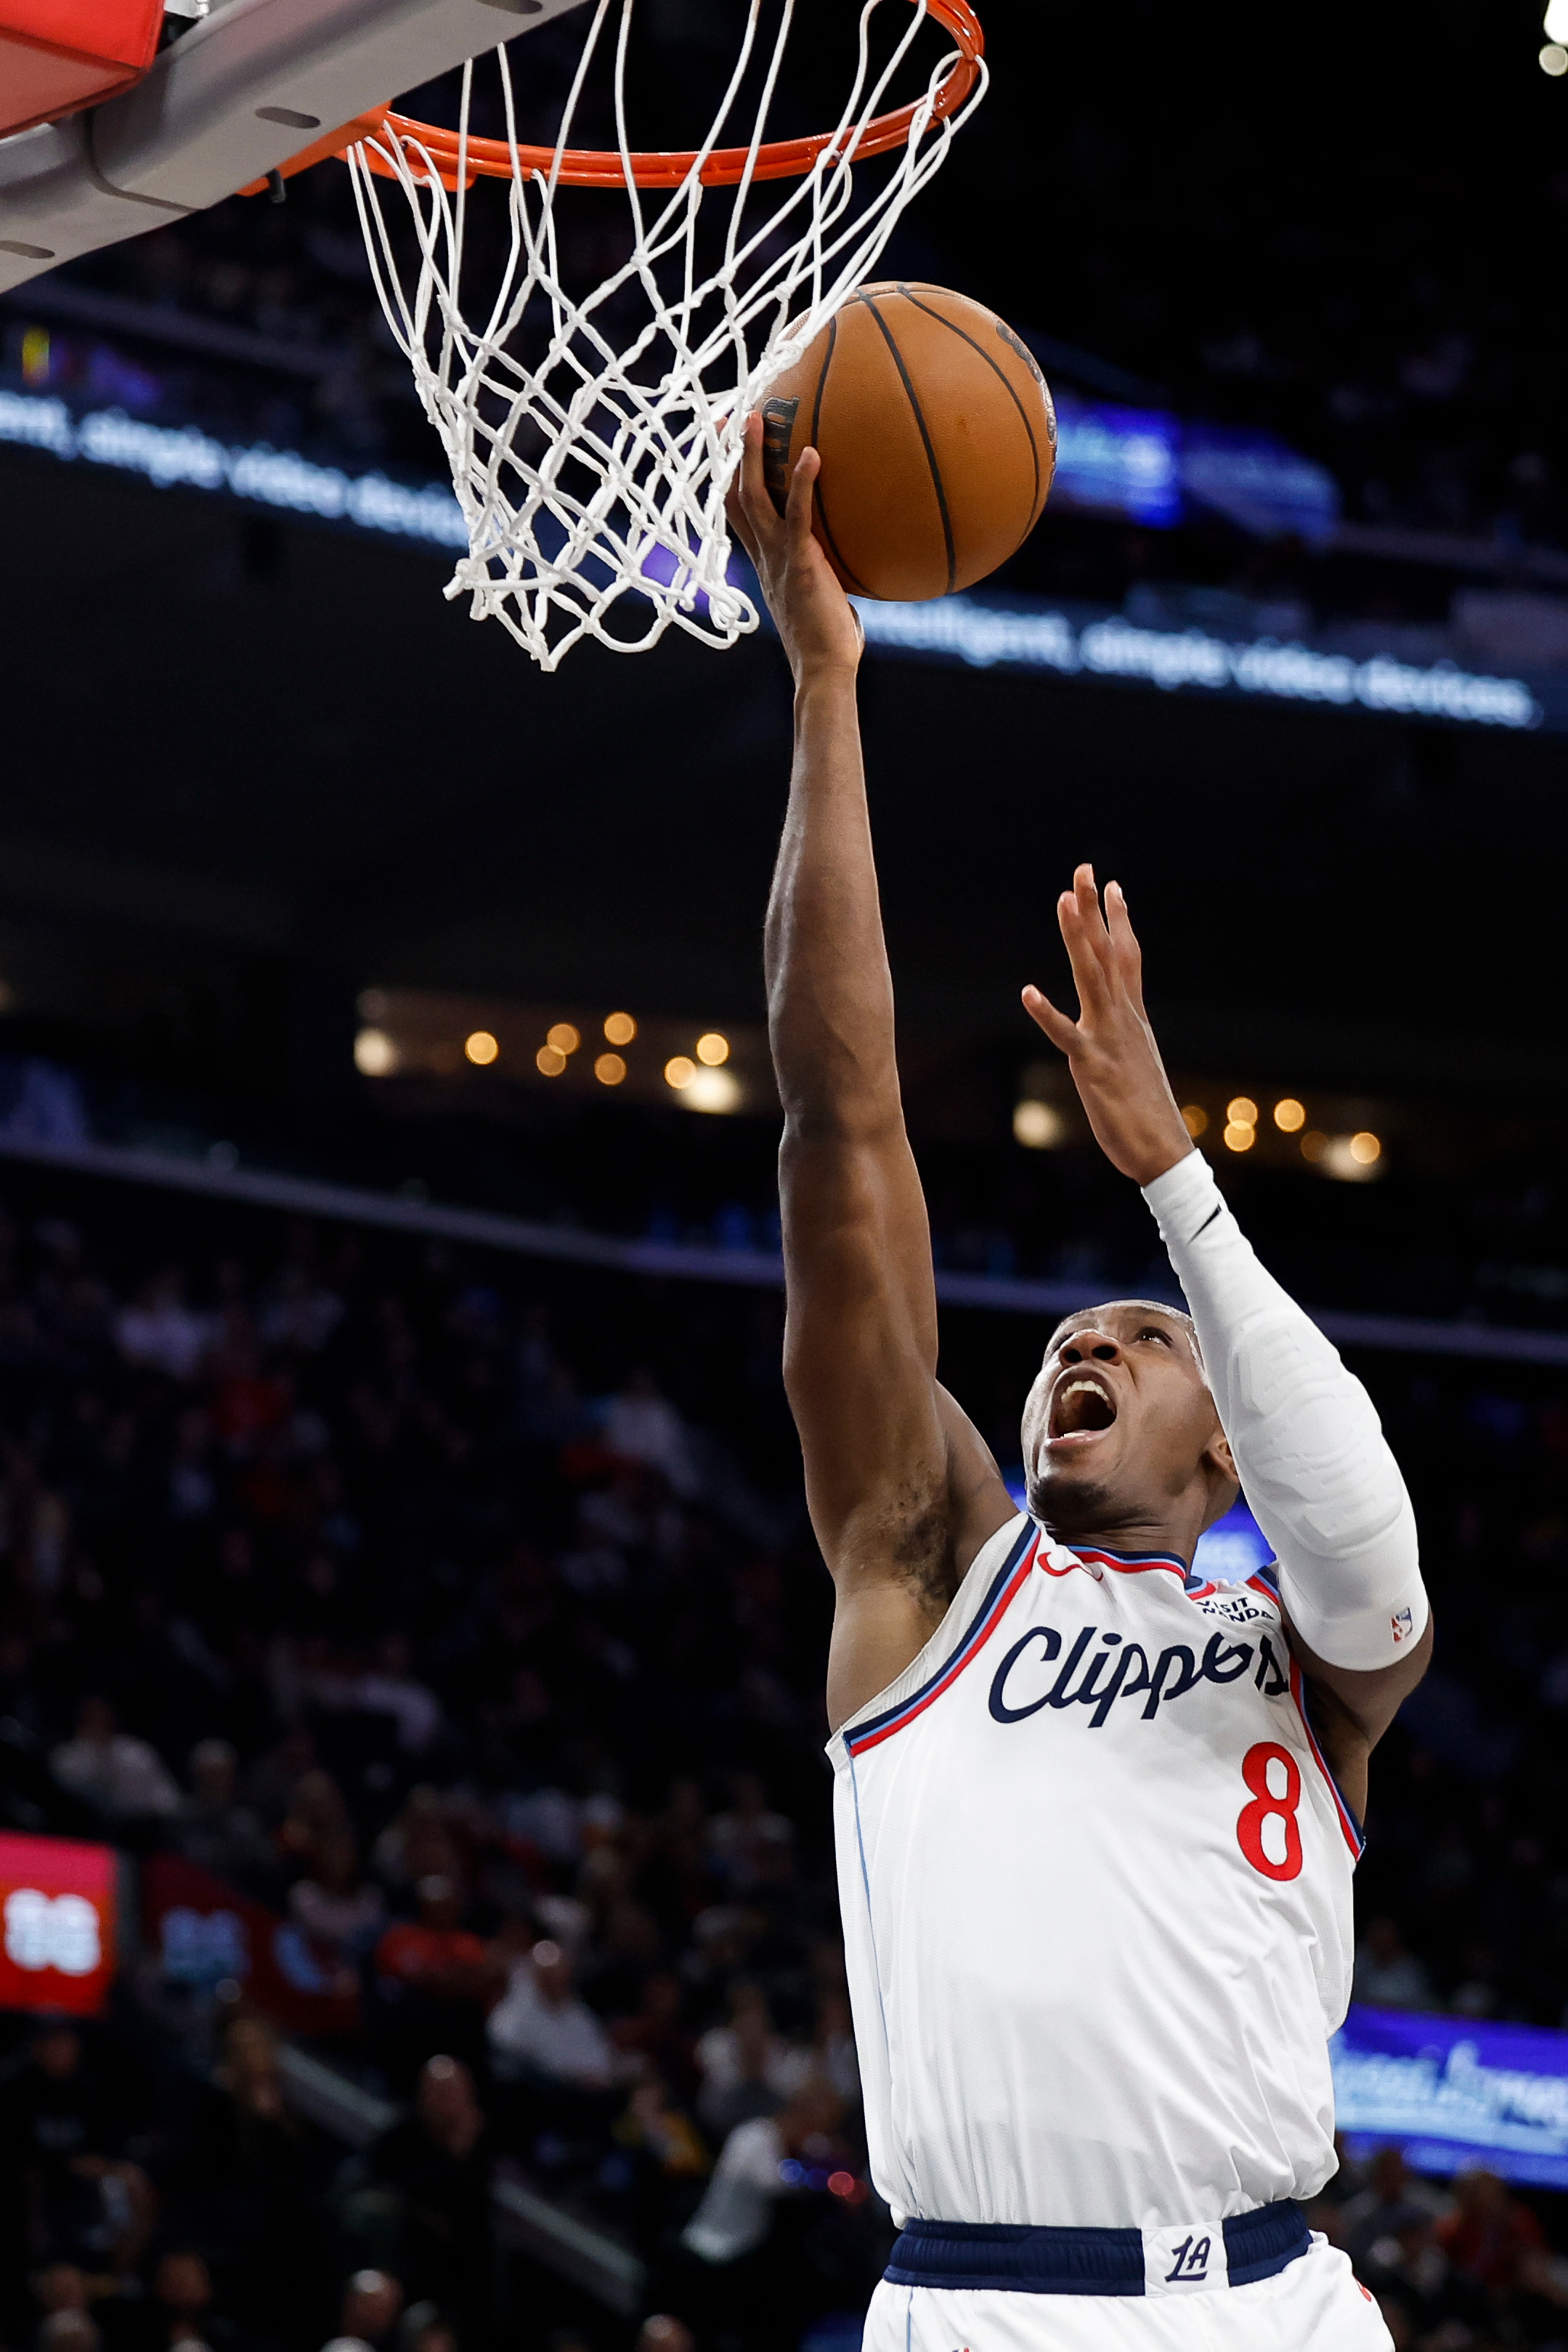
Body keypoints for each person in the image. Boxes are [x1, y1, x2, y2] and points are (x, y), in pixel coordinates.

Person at [725, 415, 1436, 2349]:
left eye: (1141, 1338)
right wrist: (825, 690)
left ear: (1230, 1444)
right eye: (1066, 1343)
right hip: (989, 2311)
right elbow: (841, 1134)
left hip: (1278, 2306)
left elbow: (1371, 1545)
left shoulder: (1313, 1664)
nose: (1082, 1346)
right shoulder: (930, 1566)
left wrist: (1180, 1191)